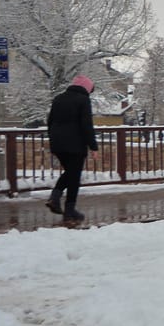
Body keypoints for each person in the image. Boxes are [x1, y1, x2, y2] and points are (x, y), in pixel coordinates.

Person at [46, 75, 100, 221]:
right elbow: (86, 125)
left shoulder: (58, 98)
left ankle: (55, 199)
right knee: (73, 176)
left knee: (71, 173)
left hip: (57, 143)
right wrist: (93, 147)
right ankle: (68, 210)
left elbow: (50, 121)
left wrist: (53, 140)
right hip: (75, 144)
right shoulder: (83, 100)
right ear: (86, 88)